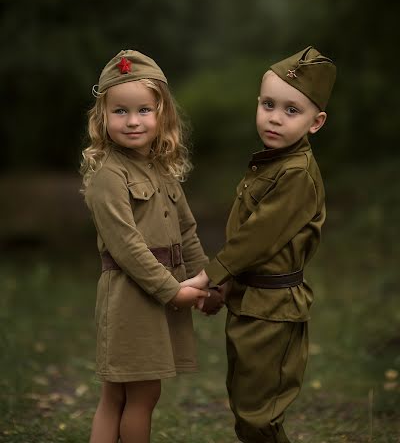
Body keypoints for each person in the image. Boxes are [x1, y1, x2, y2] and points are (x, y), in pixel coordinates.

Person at [182, 46, 336, 443]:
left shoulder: (298, 174)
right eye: (268, 104)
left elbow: (258, 238)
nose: (274, 117)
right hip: (251, 303)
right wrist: (226, 287)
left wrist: (209, 276)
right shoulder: (272, 164)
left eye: (291, 110)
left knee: (259, 416)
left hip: (274, 311)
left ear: (315, 122)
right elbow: (248, 241)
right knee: (246, 404)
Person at [80, 49, 223, 443]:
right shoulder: (108, 176)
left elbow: (187, 231)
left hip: (160, 294)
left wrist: (208, 281)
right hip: (132, 298)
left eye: (144, 110)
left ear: (163, 115)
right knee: (136, 396)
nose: (132, 121)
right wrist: (172, 291)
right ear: (102, 117)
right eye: (120, 111)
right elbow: (126, 246)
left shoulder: (162, 170)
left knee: (122, 395)